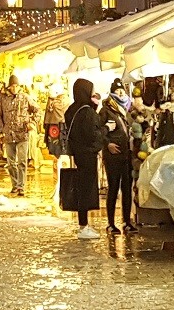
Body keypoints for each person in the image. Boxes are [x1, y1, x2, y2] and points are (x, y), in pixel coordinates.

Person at [62, 77, 103, 239]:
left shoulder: (72, 109)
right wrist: (105, 129)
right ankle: (84, 226)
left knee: (82, 188)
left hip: (77, 154)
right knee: (86, 189)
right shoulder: (86, 112)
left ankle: (83, 224)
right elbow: (92, 134)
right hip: (87, 154)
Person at [99, 79, 139, 234]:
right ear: (112, 93)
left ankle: (127, 222)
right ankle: (110, 223)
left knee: (127, 189)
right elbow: (99, 132)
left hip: (126, 155)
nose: (121, 93)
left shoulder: (126, 110)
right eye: (117, 91)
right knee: (113, 188)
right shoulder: (106, 110)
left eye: (122, 90)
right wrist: (107, 144)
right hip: (113, 156)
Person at [0, 75, 39, 196]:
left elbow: (37, 110)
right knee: (11, 162)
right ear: (9, 86)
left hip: (22, 134)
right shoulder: (3, 99)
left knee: (22, 161)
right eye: (12, 86)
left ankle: (21, 186)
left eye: (16, 86)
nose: (14, 88)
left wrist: (32, 122)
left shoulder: (25, 97)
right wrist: (1, 128)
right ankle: (14, 184)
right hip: (9, 134)